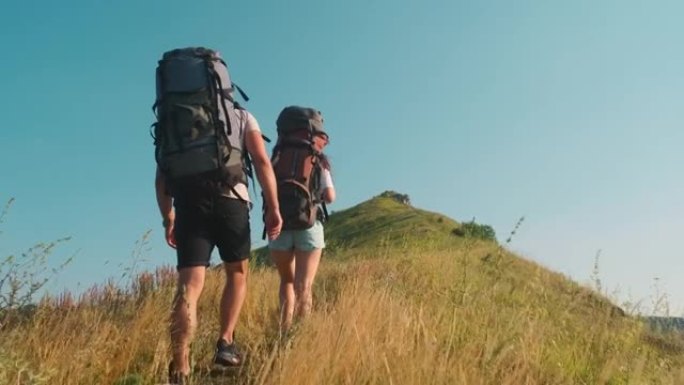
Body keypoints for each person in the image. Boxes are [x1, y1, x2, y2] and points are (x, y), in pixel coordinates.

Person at [153, 48, 282, 383]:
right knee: (237, 272)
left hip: (188, 203)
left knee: (189, 287)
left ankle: (180, 365)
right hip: (231, 200)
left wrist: (169, 219)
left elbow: (161, 178)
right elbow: (262, 162)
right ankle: (225, 341)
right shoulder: (241, 116)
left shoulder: (173, 121)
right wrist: (274, 207)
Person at [268, 133, 335, 333]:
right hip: (309, 225)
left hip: (279, 227)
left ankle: (284, 331)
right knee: (304, 285)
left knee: (286, 282)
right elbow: (330, 197)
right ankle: (301, 335)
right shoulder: (317, 161)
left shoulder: (277, 159)